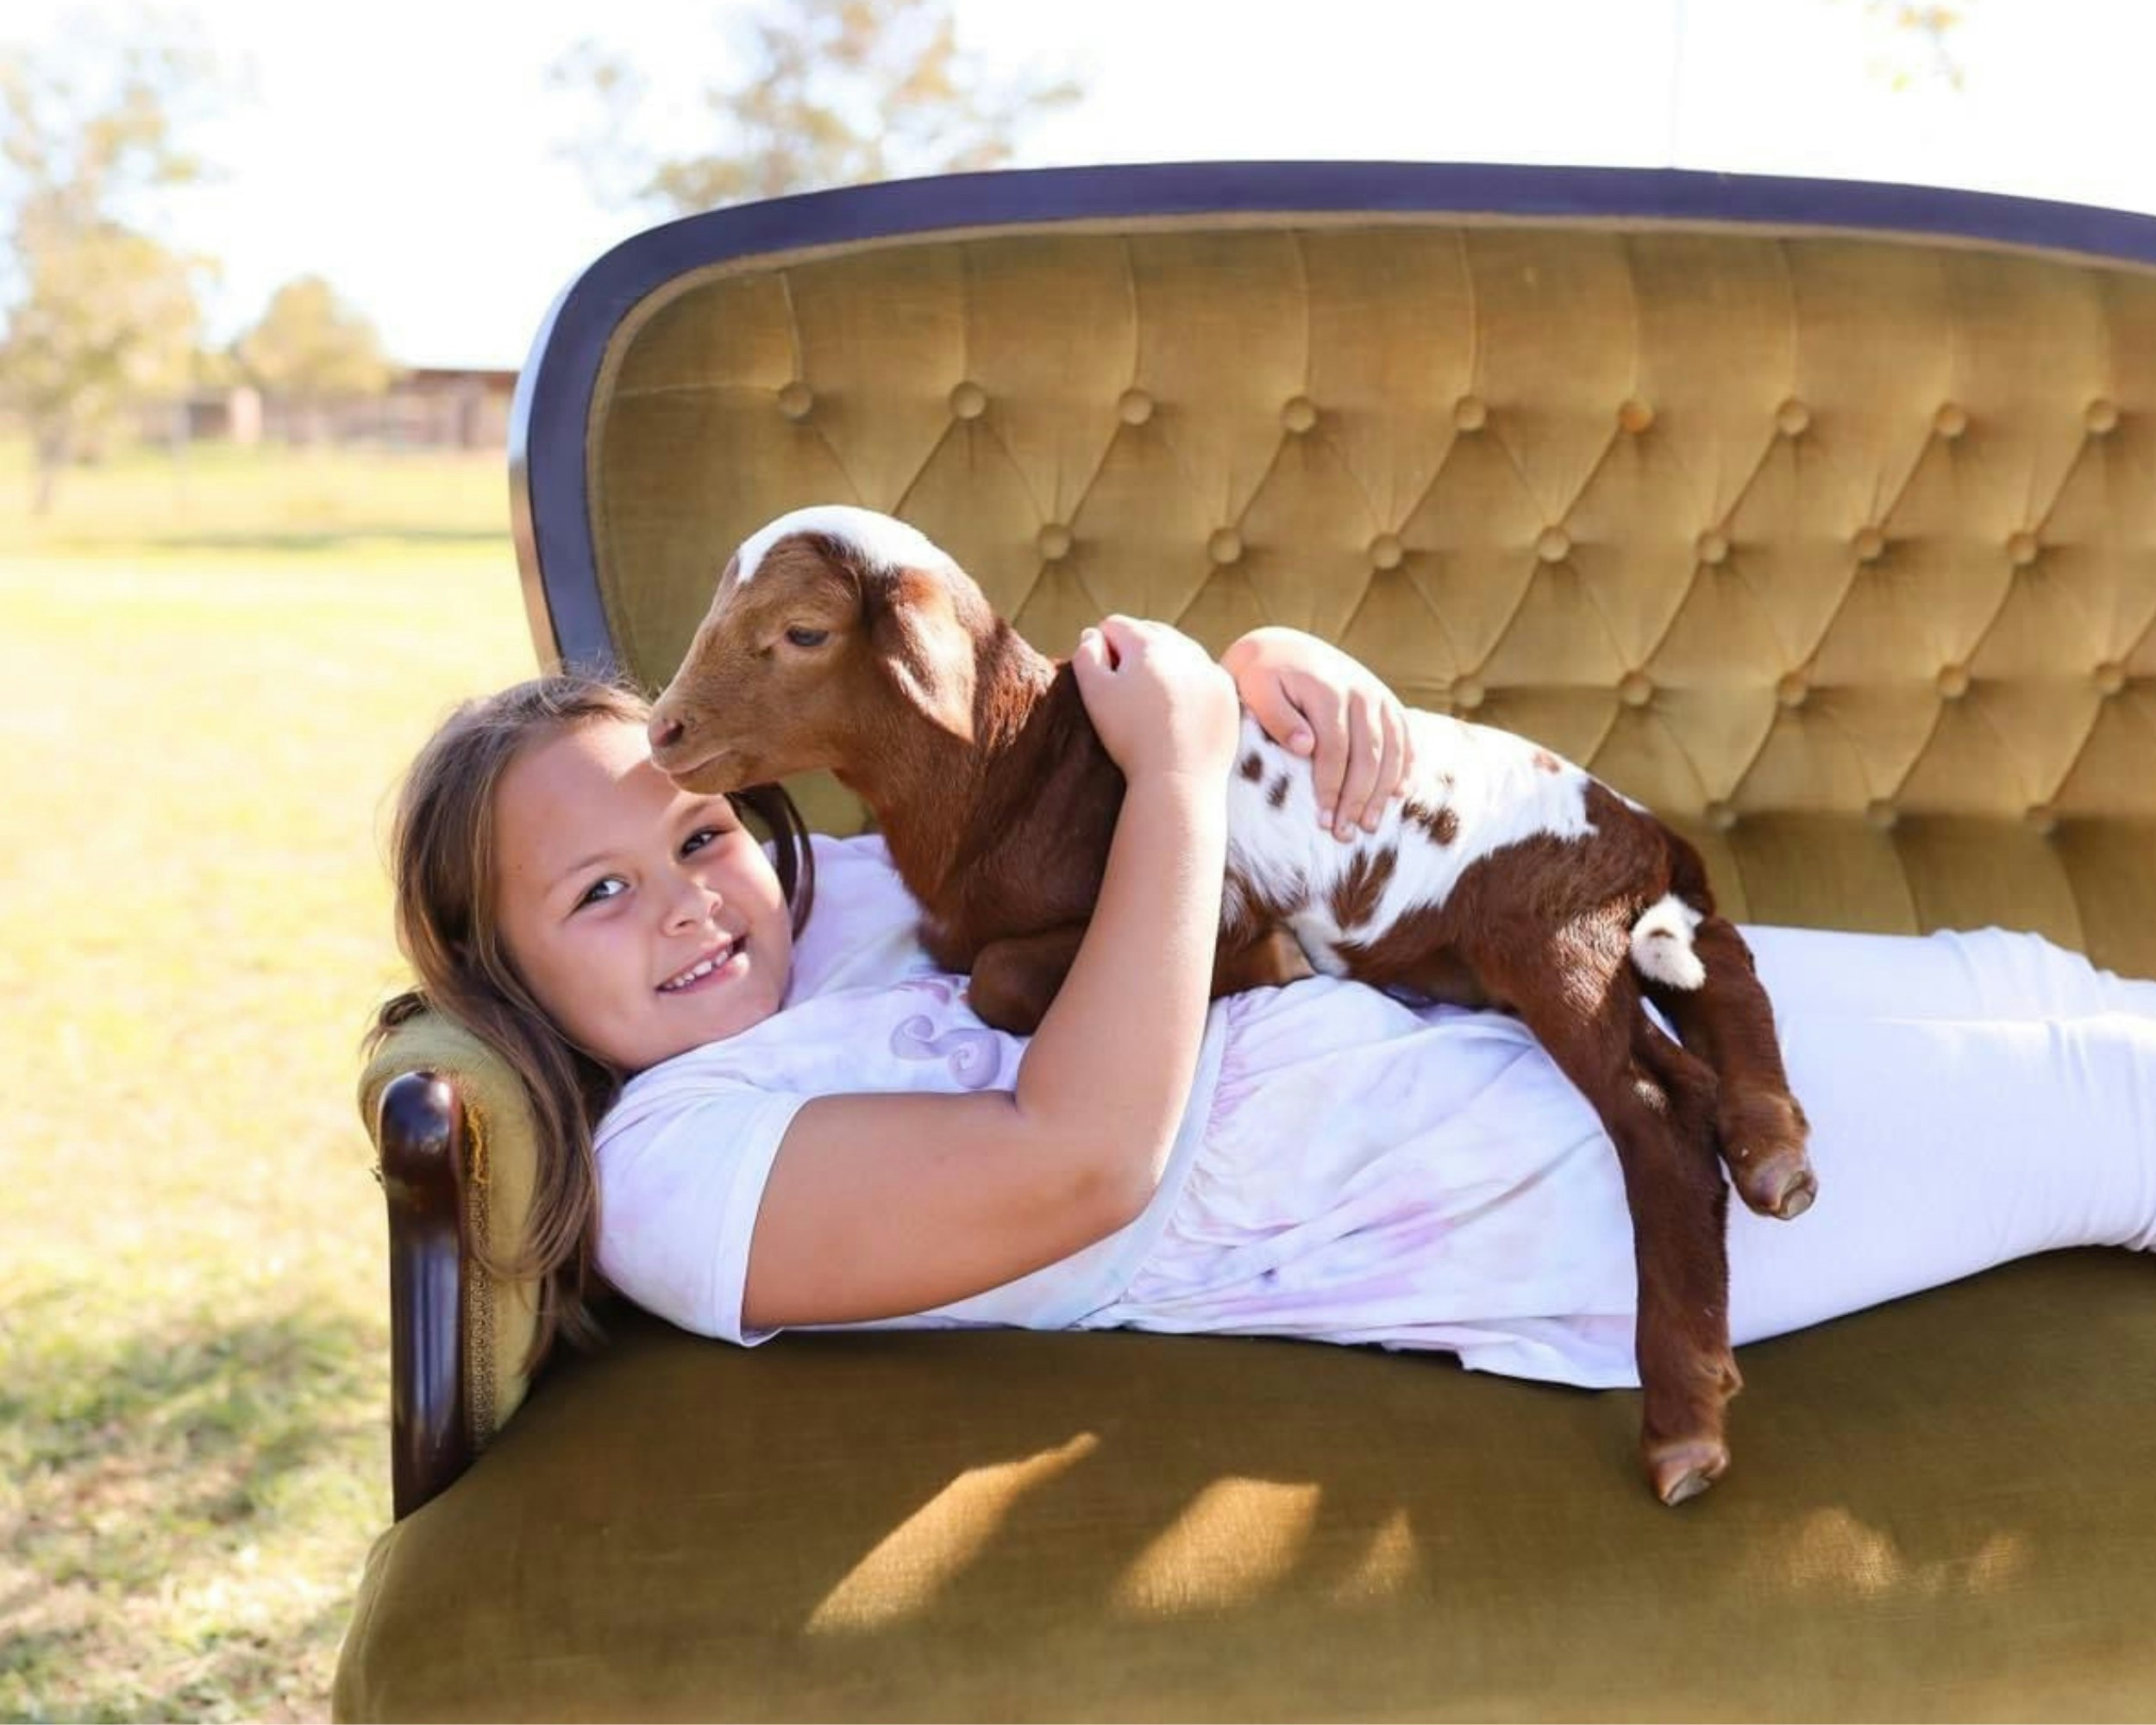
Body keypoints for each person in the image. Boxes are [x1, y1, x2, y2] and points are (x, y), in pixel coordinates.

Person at [373, 620, 2156, 1400]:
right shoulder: (685, 1181)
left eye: (694, 828)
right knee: (2103, 1115)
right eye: (596, 893)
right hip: (1512, 1186)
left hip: (1489, 1009)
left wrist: (1252, 677)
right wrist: (1182, 783)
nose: (686, 896)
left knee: (2032, 989)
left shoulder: (813, 908)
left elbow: (1072, 756)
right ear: (501, 972)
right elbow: (1075, 1154)